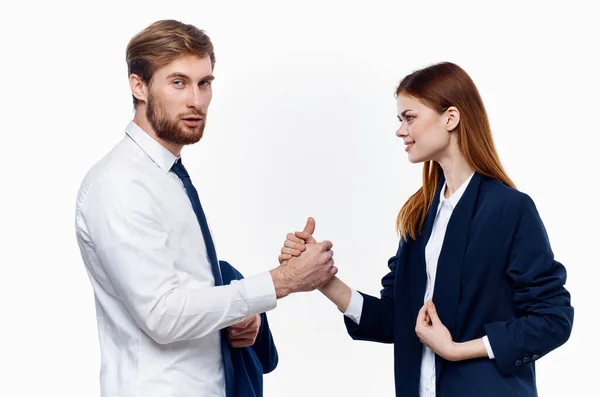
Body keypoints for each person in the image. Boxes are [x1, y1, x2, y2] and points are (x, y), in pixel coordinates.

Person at [74, 19, 337, 397]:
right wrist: (282, 281)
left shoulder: (164, 175)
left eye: (205, 83)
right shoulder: (121, 184)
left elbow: (189, 292)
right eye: (178, 82)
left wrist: (242, 320)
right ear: (139, 86)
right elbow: (163, 315)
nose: (196, 100)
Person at [279, 62, 574, 397]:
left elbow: (553, 319)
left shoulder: (510, 209)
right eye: (400, 120)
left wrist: (457, 350)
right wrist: (320, 277)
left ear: (450, 118)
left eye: (410, 117)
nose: (400, 131)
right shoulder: (420, 215)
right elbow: (395, 319)